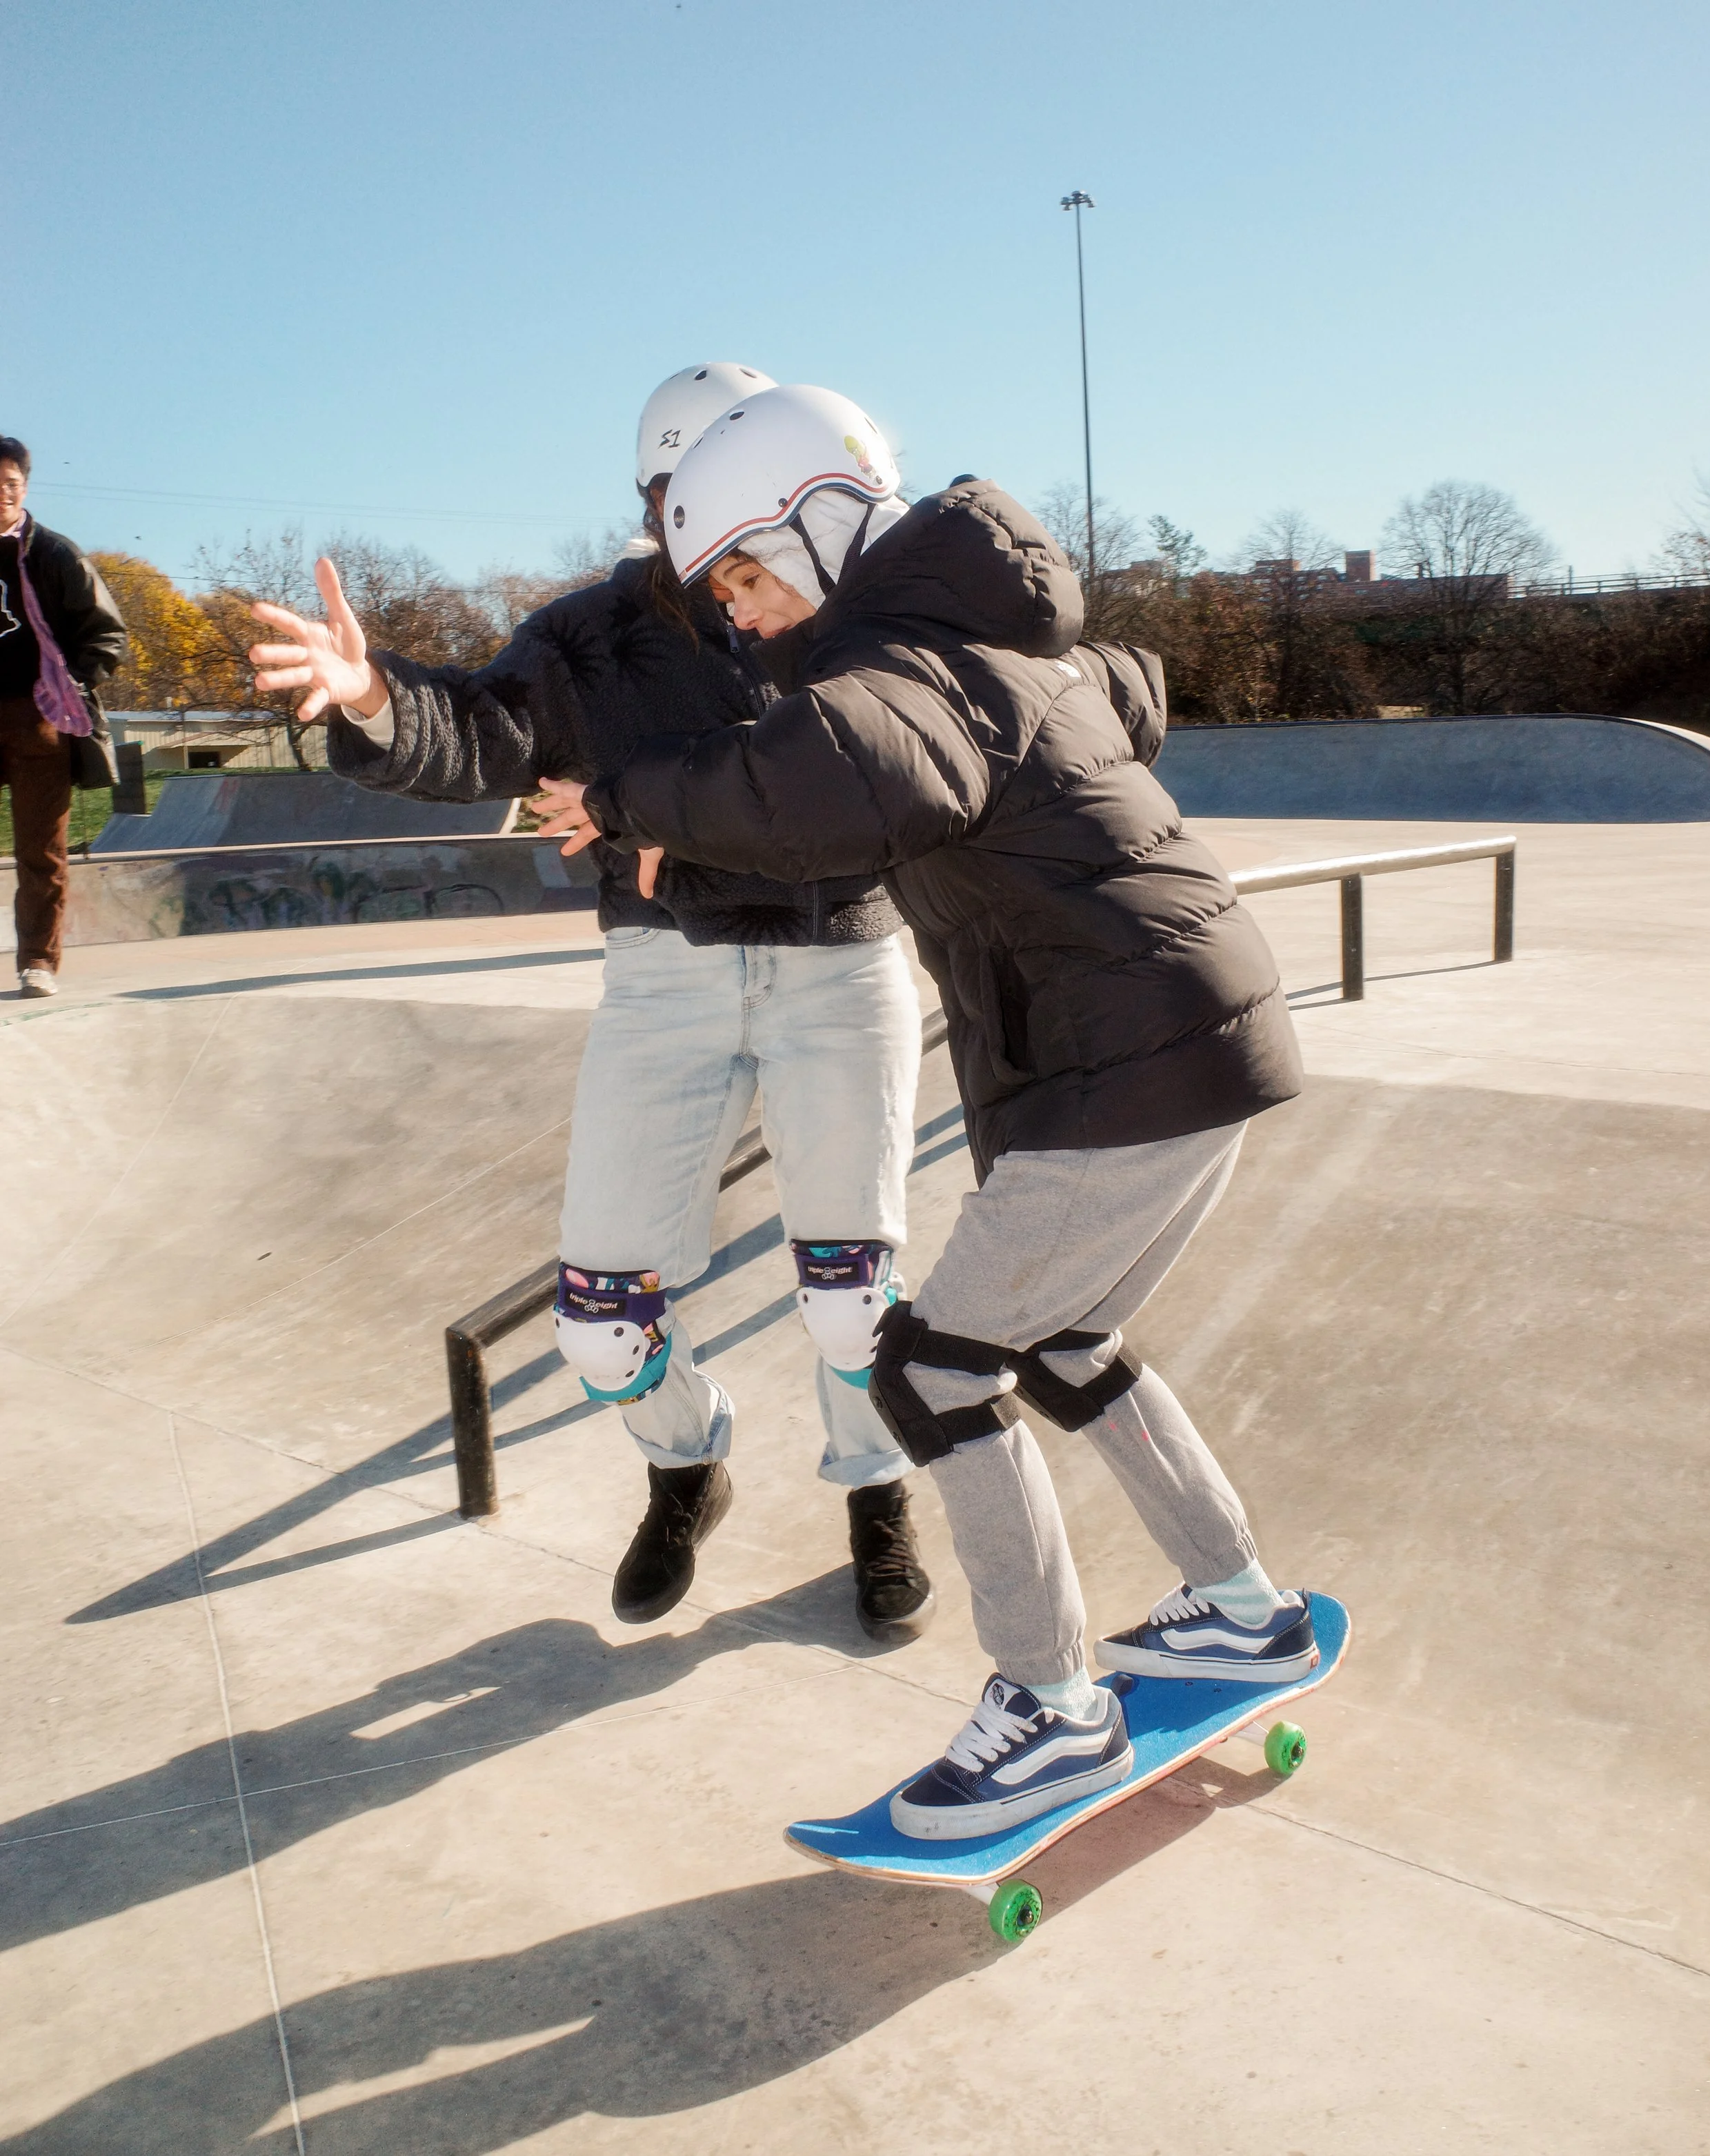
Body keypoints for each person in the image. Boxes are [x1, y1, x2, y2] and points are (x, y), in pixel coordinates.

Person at [537, 384, 1316, 1839]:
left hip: (1119, 1060)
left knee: (935, 1371)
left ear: (819, 527)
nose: (743, 620)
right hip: (1191, 1037)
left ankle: (1051, 1710)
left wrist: (633, 798)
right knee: (1065, 1344)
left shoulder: (896, 673)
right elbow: (1108, 694)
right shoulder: (997, 643)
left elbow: (822, 773)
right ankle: (1236, 1605)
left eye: (751, 581)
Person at [246, 367, 936, 1644]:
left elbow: (882, 772)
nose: (725, 542)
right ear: (653, 499)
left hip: (839, 965)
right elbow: (481, 726)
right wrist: (372, 698)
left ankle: (876, 1489)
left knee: (852, 1285)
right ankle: (687, 1462)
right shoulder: (587, 636)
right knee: (602, 1321)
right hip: (663, 974)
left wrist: (662, 806)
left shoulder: (849, 615)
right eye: (690, 503)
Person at [0, 436, 128, 998]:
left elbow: (107, 633)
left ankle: (38, 961)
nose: (1, 493)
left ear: (25, 487)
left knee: (41, 849)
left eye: (10, 483)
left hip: (37, 721)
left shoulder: (52, 553)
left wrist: (70, 686)